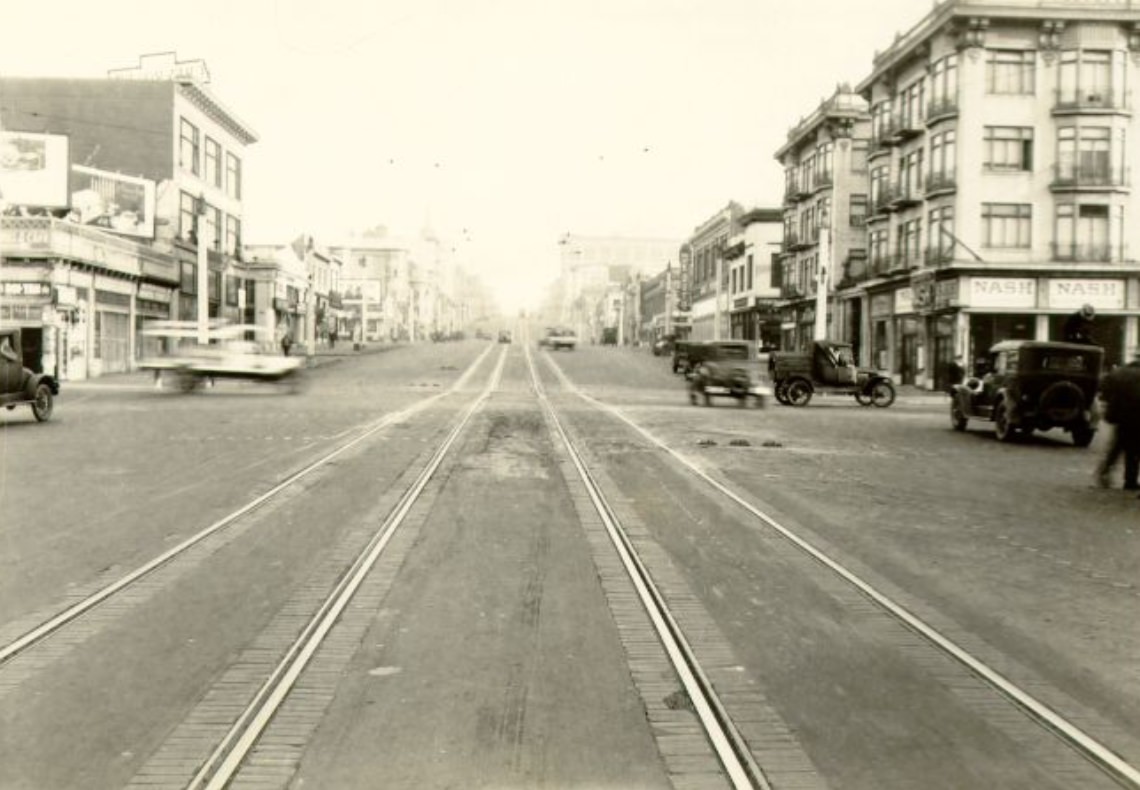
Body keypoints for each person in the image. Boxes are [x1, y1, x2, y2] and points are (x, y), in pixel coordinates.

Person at [1097, 351, 1140, 491]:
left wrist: (1111, 403)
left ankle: (1104, 471)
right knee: (1132, 449)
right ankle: (1130, 480)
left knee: (1119, 445)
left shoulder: (1119, 372)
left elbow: (1103, 387)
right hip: (1136, 416)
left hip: (1120, 416)